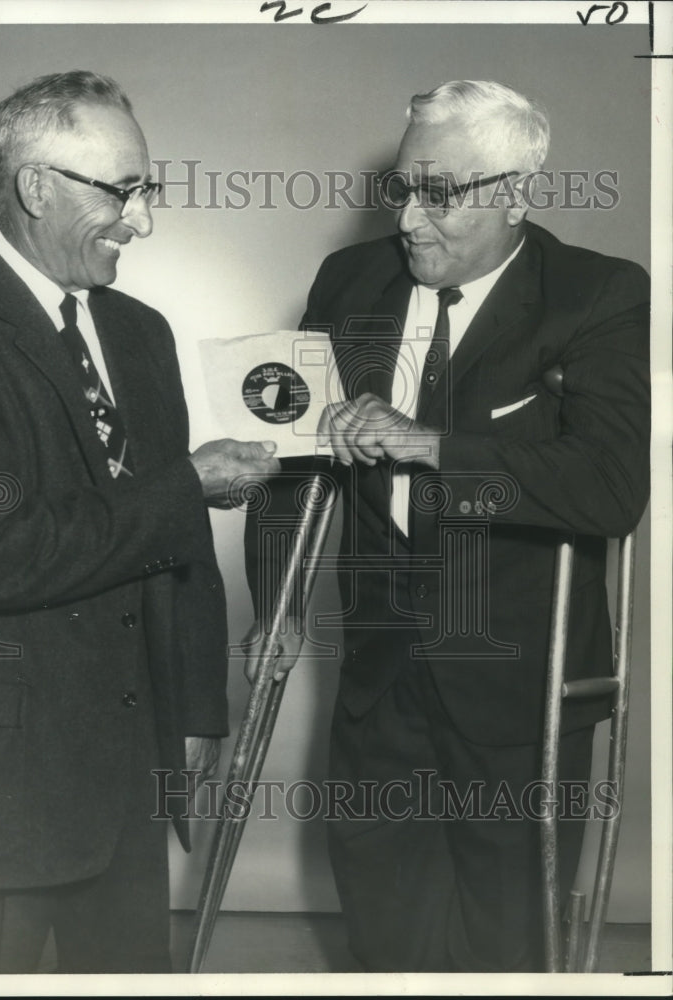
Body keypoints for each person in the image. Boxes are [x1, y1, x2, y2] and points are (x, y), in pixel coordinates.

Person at [245, 80, 650, 972]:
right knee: (384, 923)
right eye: (401, 189)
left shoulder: (597, 295)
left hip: (518, 686)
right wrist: (279, 601)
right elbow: (290, 454)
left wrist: (431, 446)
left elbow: (612, 485)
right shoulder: (349, 282)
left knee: (511, 939)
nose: (411, 221)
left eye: (442, 195)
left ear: (515, 193)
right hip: (379, 672)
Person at [0, 70, 279, 975]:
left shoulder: (141, 331)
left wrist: (195, 710)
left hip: (133, 774)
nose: (142, 221)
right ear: (37, 187)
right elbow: (3, 555)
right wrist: (188, 483)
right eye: (124, 191)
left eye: (145, 192)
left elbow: (177, 551)